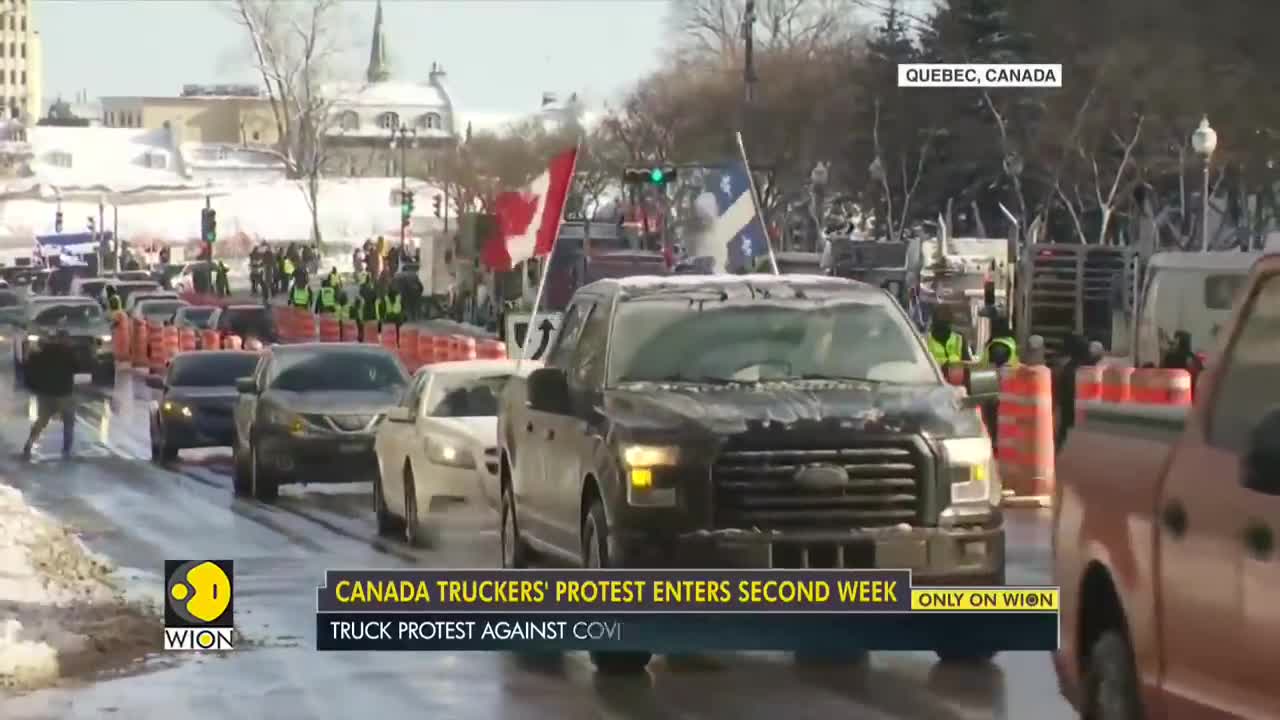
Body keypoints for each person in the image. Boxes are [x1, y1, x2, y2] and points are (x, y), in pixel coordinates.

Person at [21, 327, 80, 460]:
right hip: (64, 393)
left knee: (41, 420)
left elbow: (30, 366)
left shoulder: (43, 352)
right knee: (69, 421)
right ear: (66, 339)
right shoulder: (69, 353)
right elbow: (77, 367)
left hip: (45, 394)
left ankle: (29, 443)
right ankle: (66, 450)